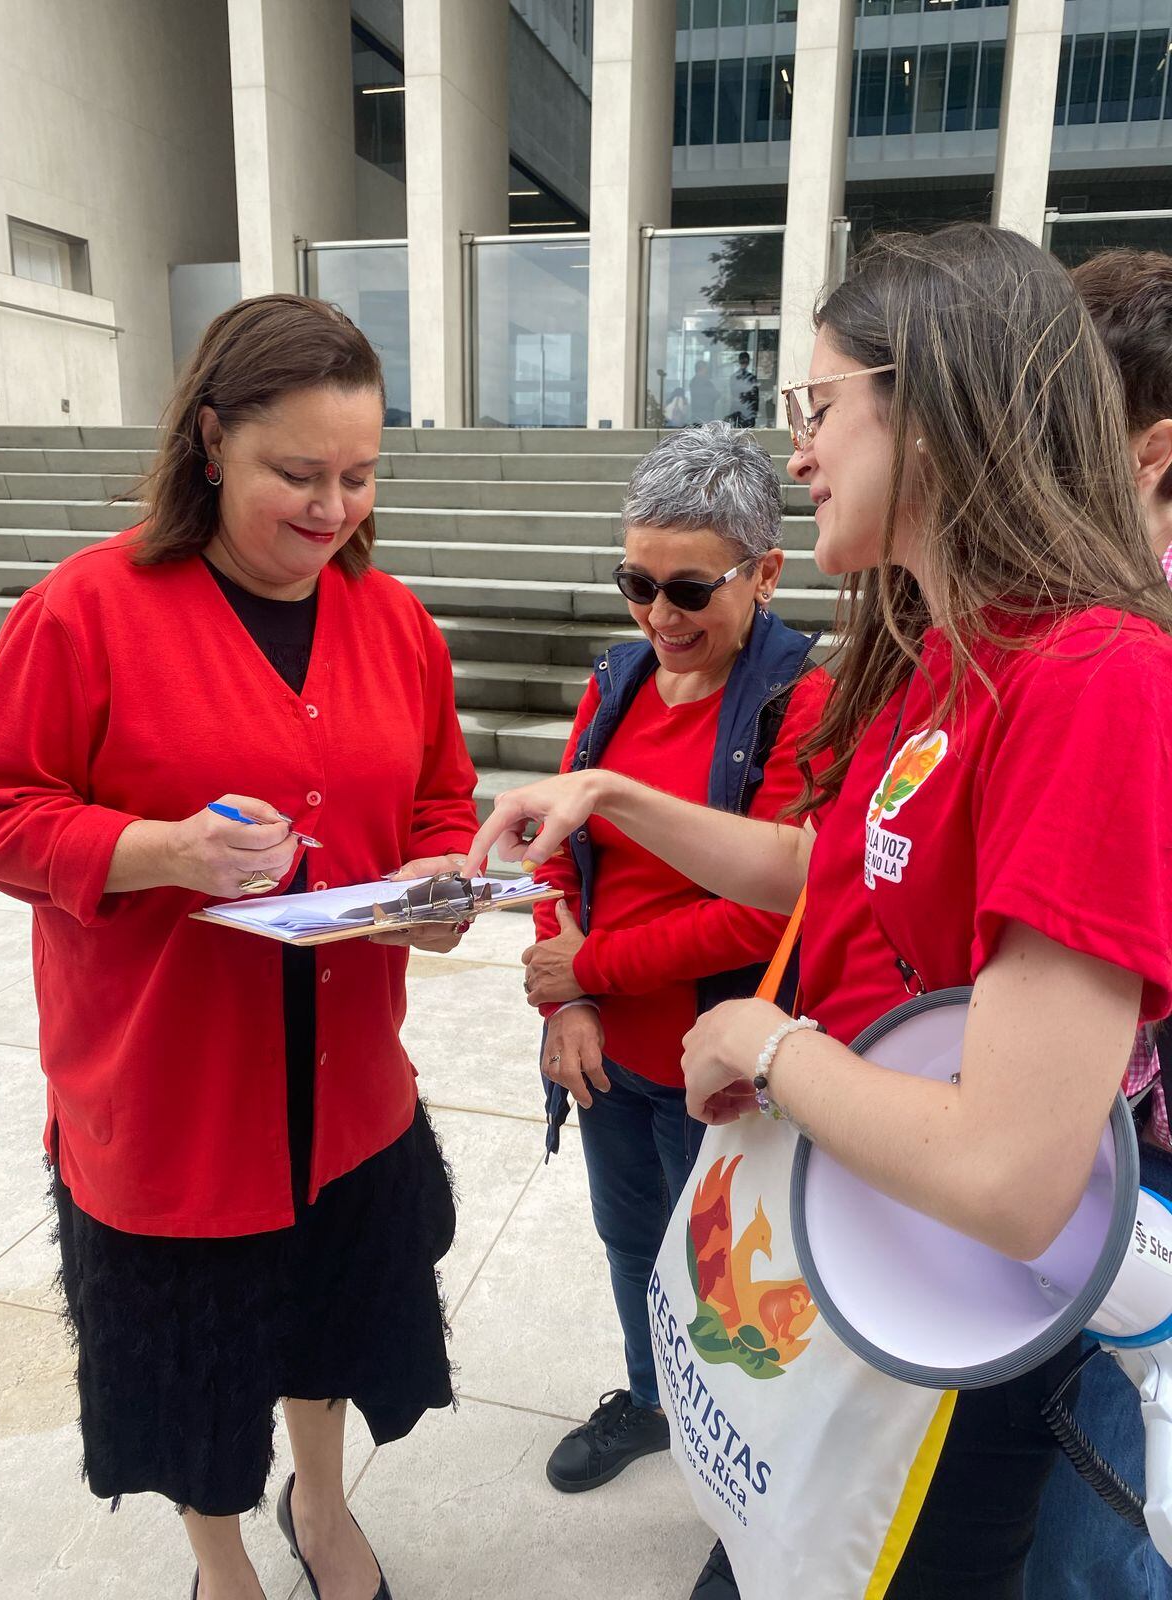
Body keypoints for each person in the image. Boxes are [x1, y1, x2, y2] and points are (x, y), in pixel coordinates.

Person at [465, 223, 1172, 1599]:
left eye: (820, 404)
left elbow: (1013, 1180)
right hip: (854, 1249)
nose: (797, 454)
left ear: (943, 406)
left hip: (947, 1329)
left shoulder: (1096, 682)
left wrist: (762, 1045)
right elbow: (827, 870)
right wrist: (610, 793)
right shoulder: (950, 644)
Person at [0, 295, 479, 1600]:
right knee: (197, 1381)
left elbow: (438, 797)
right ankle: (223, 1566)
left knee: (323, 1325)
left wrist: (440, 873)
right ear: (210, 444)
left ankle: (322, 1507)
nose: (332, 509)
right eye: (296, 475)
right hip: (173, 1094)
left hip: (351, 1084)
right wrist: (161, 851)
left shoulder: (395, 621)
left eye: (359, 476)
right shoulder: (86, 613)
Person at [523, 423, 830, 1494]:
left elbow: (766, 918)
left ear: (766, 573)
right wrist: (568, 1005)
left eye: (691, 589)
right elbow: (552, 857)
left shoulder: (802, 702)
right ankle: (655, 1399)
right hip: (609, 1054)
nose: (660, 616)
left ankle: (733, 1472)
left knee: (730, 1284)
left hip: (722, 1065)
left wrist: (591, 970)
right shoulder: (616, 684)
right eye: (635, 584)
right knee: (628, 1240)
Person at [1025, 248, 1172, 1600]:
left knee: (1097, 1535)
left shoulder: (1127, 654)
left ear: (1148, 453)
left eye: (1049, 427)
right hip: (1086, 1165)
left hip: (1139, 1179)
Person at [728, 351, 759, 429]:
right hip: (747, 410)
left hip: (737, 409)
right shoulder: (751, 378)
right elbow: (755, 397)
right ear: (748, 362)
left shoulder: (733, 377)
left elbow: (732, 393)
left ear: (739, 361)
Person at [690, 360, 721, 424]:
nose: (707, 370)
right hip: (706, 416)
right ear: (702, 369)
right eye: (706, 368)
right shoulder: (705, 382)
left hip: (696, 416)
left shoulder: (693, 381)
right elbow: (715, 394)